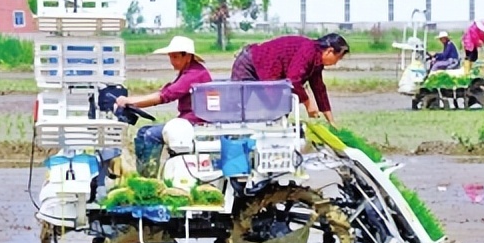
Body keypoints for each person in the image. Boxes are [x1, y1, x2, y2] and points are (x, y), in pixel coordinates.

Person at [115, 36, 212, 177]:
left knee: (150, 135)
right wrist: (132, 101)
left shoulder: (194, 74)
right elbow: (165, 92)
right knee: (143, 131)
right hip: (186, 121)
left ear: (188, 57)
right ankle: (144, 175)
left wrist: (130, 101)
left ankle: (149, 178)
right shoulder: (189, 71)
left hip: (195, 123)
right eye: (170, 57)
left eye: (175, 57)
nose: (172, 61)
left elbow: (165, 96)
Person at [230, 33, 349, 127]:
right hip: (250, 63)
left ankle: (270, 140)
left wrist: (331, 122)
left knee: (279, 108)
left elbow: (319, 89)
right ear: (329, 51)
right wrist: (308, 104)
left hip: (268, 73)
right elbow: (294, 80)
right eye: (337, 58)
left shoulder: (317, 61)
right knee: (236, 106)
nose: (336, 63)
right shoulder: (309, 50)